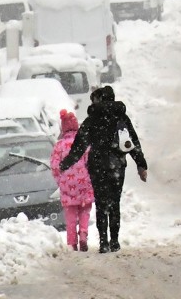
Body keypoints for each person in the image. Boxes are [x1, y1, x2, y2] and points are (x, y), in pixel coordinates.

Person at [58, 85, 147, 253]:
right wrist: (141, 164)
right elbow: (132, 141)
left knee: (101, 204)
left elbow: (79, 146)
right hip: (117, 165)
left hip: (97, 165)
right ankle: (114, 241)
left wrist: (66, 163)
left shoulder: (92, 119)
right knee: (114, 203)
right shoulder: (121, 118)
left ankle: (103, 242)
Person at [50, 109, 95, 251]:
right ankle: (83, 232)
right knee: (84, 209)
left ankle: (72, 241)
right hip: (83, 182)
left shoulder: (59, 146)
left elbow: (55, 166)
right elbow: (90, 162)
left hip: (67, 184)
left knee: (70, 213)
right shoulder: (83, 143)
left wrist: (60, 181)